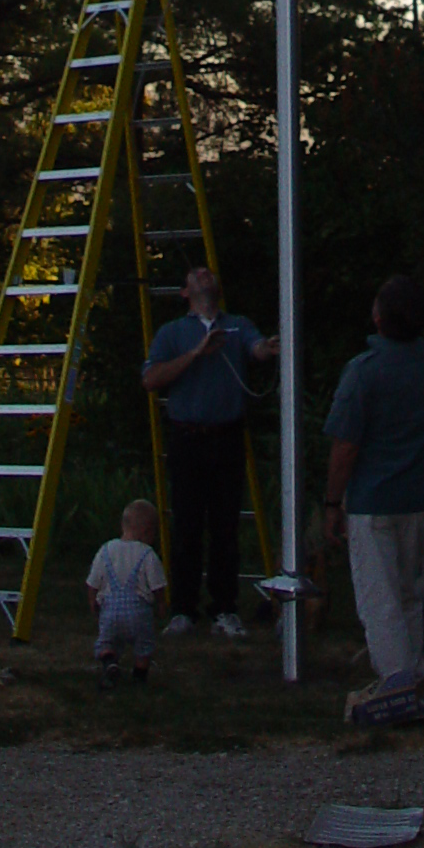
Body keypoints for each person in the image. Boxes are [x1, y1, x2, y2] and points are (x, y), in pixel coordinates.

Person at [322, 274, 424, 693]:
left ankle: (396, 684)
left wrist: (331, 503)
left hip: (373, 502)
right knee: (409, 594)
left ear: (379, 317)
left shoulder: (364, 372)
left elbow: (345, 448)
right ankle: (414, 676)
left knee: (379, 599)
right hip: (419, 496)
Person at [141, 266, 276, 637]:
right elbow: (151, 379)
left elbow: (258, 348)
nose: (204, 274)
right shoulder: (173, 332)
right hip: (187, 438)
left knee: (225, 526)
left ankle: (224, 609)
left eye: (209, 272)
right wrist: (197, 354)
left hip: (227, 436)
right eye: (196, 274)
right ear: (185, 291)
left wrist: (268, 347)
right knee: (186, 524)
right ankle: (183, 609)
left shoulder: (237, 325)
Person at [86, 497, 167, 683]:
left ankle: (109, 661)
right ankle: (139, 676)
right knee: (143, 645)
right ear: (147, 531)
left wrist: (92, 600)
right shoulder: (147, 553)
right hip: (138, 614)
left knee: (106, 641)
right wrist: (161, 603)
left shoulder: (106, 550)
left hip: (110, 613)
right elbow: (157, 585)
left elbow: (93, 582)